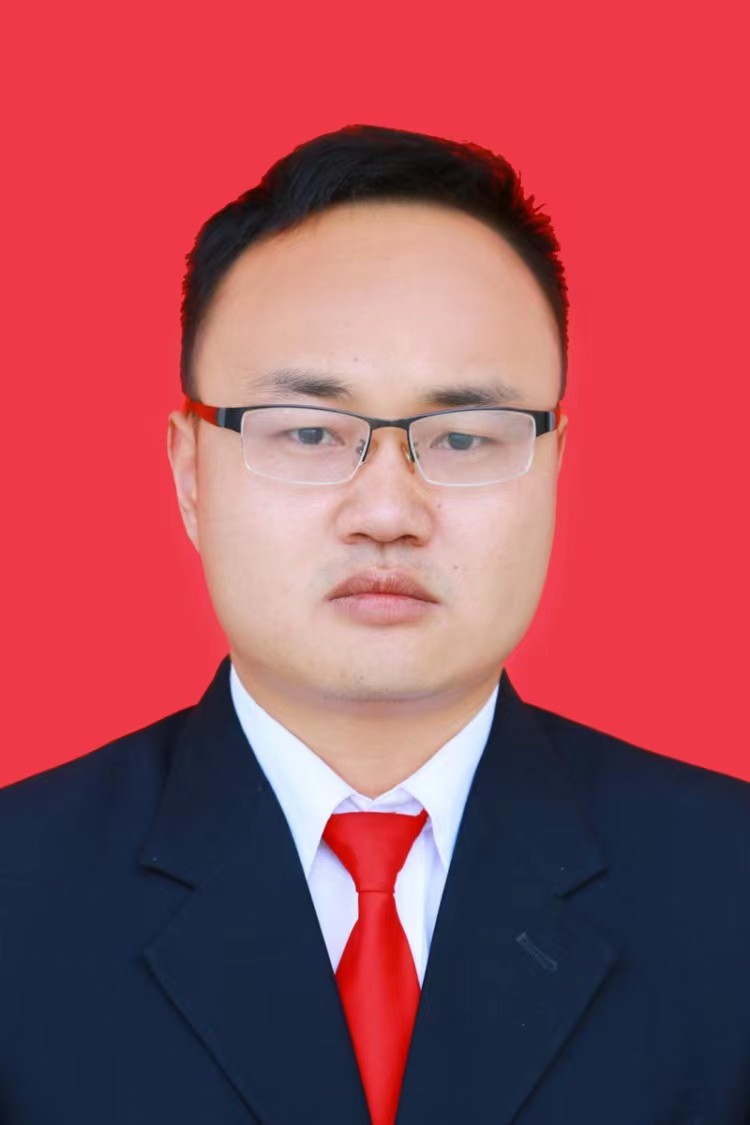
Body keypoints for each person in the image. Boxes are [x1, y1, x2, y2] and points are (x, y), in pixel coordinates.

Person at [1, 124, 748, 1125]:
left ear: (554, 468)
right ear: (190, 473)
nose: (388, 512)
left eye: (465, 438)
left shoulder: (729, 886)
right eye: (311, 431)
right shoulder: (17, 893)